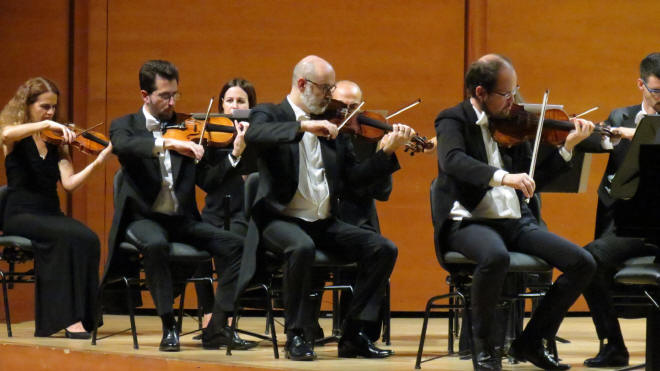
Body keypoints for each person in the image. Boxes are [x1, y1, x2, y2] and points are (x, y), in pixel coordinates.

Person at [433, 54, 597, 370]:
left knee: (582, 263)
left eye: (515, 91)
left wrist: (568, 147)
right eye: (506, 94)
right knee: (496, 257)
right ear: (480, 92)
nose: (513, 101)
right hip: (469, 221)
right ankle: (485, 351)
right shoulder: (452, 119)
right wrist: (503, 177)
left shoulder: (512, 124)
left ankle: (531, 342)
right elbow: (452, 160)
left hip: (514, 221)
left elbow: (534, 178)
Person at [244, 55, 413, 361]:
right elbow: (256, 134)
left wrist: (385, 154)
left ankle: (352, 335)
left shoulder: (334, 126)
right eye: (325, 89)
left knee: (382, 248)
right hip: (279, 220)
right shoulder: (270, 113)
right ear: (301, 84)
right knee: (300, 248)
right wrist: (304, 127)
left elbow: (354, 180)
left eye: (331, 88)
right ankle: (296, 335)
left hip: (322, 222)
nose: (330, 96)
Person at [106, 60, 250, 352]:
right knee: (156, 245)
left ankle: (217, 326)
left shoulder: (187, 127)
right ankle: (169, 325)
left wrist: (234, 155)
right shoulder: (125, 126)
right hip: (143, 219)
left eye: (175, 95)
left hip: (181, 220)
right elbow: (123, 147)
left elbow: (209, 181)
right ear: (145, 95)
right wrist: (168, 145)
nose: (172, 102)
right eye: (164, 96)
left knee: (236, 245)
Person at [0, 77, 113, 338]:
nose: (51, 113)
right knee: (64, 238)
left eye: (53, 108)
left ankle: (86, 317)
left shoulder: (57, 141)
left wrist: (96, 164)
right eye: (44, 106)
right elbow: (5, 133)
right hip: (20, 213)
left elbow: (70, 184)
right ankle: (65, 319)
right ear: (28, 106)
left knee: (88, 238)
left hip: (50, 212)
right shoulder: (15, 137)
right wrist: (44, 124)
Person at [578, 52, 660, 368]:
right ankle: (614, 345)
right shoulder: (619, 117)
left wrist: (633, 134)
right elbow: (593, 143)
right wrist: (579, 132)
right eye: (656, 91)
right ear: (641, 84)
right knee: (587, 260)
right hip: (630, 225)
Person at [194, 77, 255, 332]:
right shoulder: (209, 137)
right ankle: (208, 311)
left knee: (235, 246)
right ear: (220, 105)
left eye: (240, 101)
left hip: (243, 215)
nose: (234, 105)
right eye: (229, 101)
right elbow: (207, 181)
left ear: (251, 106)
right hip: (213, 213)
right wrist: (232, 155)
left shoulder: (258, 138)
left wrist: (243, 150)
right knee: (196, 246)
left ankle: (224, 315)